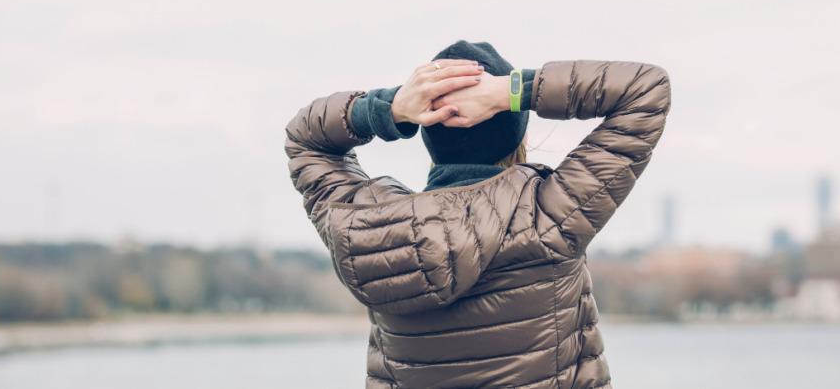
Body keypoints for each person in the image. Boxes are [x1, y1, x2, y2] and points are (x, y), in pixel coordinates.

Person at [285, 41, 670, 389]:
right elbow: (644, 89)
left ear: (428, 131)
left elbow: (305, 139)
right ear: (515, 133)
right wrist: (511, 91)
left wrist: (392, 107)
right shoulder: (550, 215)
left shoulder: (366, 230)